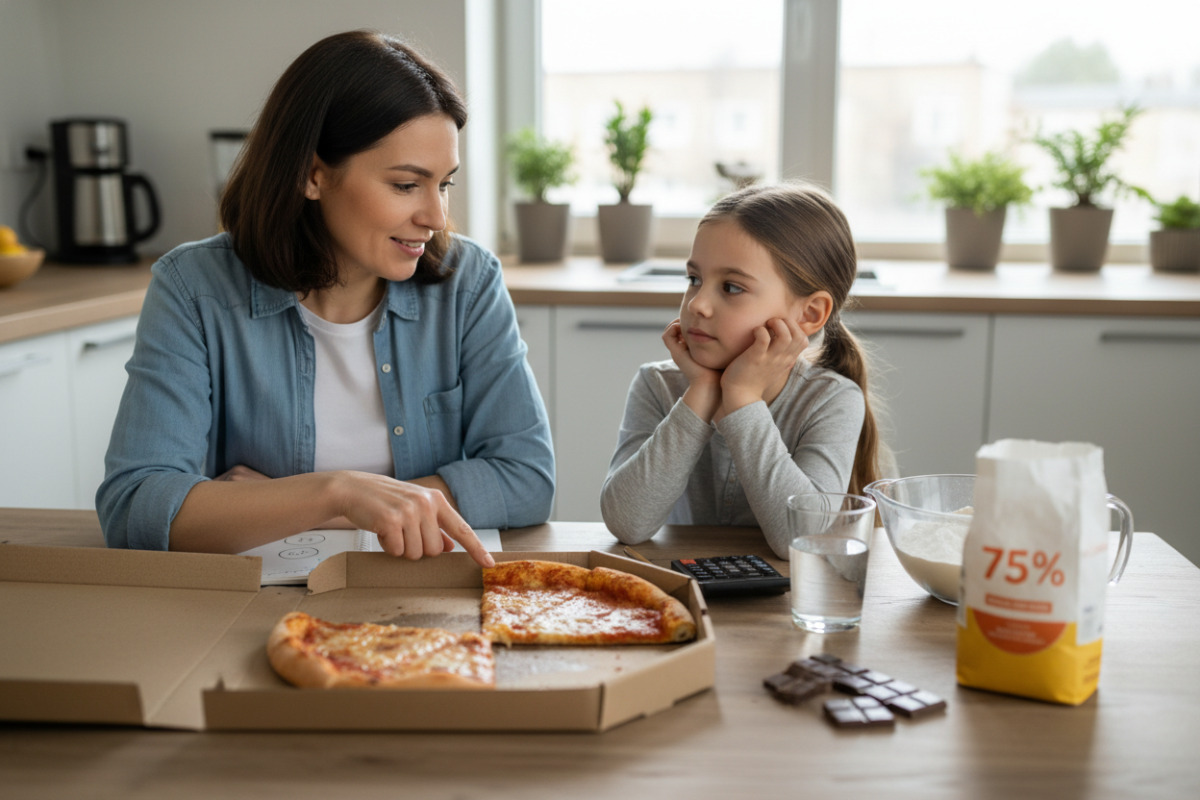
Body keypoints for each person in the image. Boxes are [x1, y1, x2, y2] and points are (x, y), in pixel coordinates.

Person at [97, 30, 554, 567]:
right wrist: (335, 492)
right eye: (407, 185)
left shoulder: (468, 281)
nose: (435, 217)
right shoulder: (194, 287)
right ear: (313, 174)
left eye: (444, 184)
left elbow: (526, 478)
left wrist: (283, 504)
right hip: (257, 609)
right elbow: (134, 508)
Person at [601, 183, 884, 559]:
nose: (698, 304)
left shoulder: (831, 400)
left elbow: (801, 539)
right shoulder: (657, 385)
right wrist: (701, 392)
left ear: (810, 314)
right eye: (694, 279)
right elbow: (627, 524)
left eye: (732, 287)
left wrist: (742, 400)